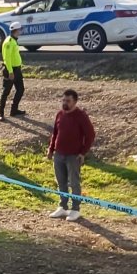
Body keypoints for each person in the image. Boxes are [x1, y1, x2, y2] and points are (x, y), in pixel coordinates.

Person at [47, 89, 96, 223]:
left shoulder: (81, 116)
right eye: (63, 100)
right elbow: (55, 133)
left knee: (74, 182)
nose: (65, 103)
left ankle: (75, 209)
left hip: (73, 156)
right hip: (59, 154)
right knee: (60, 181)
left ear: (75, 102)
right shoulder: (59, 114)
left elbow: (90, 135)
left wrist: (82, 152)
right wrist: (51, 149)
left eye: (68, 101)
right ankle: (62, 206)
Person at [0, 22, 26, 121]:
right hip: (11, 70)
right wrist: (10, 72)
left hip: (17, 69)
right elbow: (7, 59)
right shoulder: (9, 42)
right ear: (16, 30)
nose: (21, 31)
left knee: (20, 89)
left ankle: (14, 110)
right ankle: (1, 113)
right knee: (5, 92)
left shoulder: (14, 40)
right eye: (20, 29)